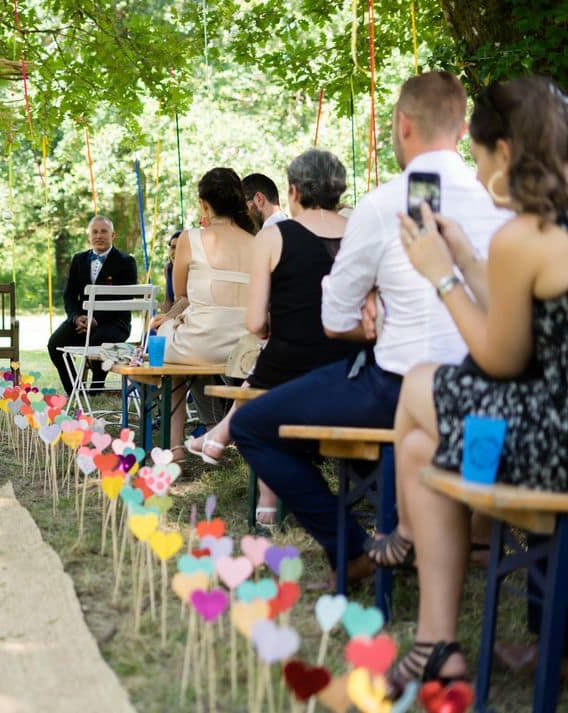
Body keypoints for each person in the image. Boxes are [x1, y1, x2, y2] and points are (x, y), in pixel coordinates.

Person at [229, 71, 512, 590]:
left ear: (403, 126)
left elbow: (334, 321)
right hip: (491, 390)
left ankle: (351, 548)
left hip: (398, 387)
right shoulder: (500, 204)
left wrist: (371, 312)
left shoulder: (384, 204)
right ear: (463, 127)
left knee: (251, 425)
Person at [376, 76, 568, 693]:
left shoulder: (523, 235)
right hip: (553, 418)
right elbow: (533, 325)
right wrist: (470, 262)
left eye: (481, 156)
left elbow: (500, 357)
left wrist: (442, 277)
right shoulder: (549, 230)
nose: (480, 170)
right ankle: (437, 648)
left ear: (505, 152)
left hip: (551, 442)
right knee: (415, 448)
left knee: (420, 384)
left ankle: (405, 536)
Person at [184, 151, 358, 525]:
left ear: (293, 192)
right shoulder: (359, 234)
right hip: (352, 367)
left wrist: (271, 328)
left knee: (263, 397)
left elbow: (255, 322)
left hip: (292, 365)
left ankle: (226, 444)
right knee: (268, 377)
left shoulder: (276, 237)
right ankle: (220, 440)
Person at [148, 168, 256, 455]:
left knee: (163, 334)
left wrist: (170, 319)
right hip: (246, 349)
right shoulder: (257, 241)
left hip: (201, 343)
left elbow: (180, 292)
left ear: (204, 204)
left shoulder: (190, 238)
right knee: (181, 333)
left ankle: (175, 450)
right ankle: (216, 428)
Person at [47, 215, 139, 395]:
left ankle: (95, 389)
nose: (99, 236)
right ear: (89, 236)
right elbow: (69, 295)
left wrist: (95, 320)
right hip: (81, 322)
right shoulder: (78, 259)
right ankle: (76, 391)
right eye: (95, 232)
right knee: (55, 343)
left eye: (104, 231)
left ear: (113, 235)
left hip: (114, 323)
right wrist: (76, 318)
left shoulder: (126, 261)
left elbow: (125, 299)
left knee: (99, 340)